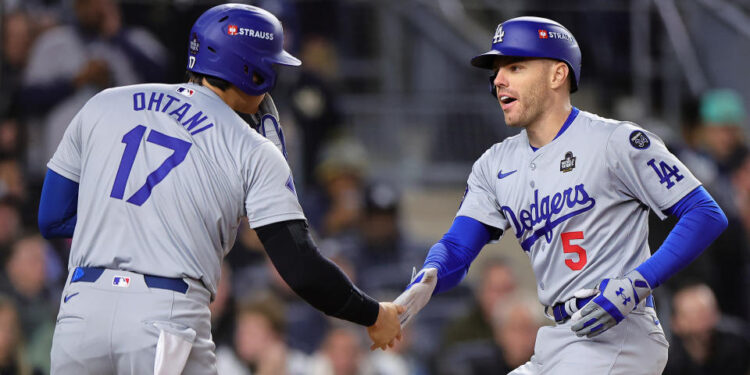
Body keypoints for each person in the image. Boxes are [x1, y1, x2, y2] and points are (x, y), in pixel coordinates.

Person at [37, 4, 402, 374]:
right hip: (165, 314)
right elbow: (301, 268)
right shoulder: (251, 147)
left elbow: (52, 217)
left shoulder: (104, 102)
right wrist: (372, 313)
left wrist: (129, 227)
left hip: (82, 311)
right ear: (251, 71)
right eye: (270, 66)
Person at [389, 16, 728, 374]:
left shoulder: (615, 141)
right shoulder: (494, 164)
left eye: (515, 66)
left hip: (621, 334)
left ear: (557, 75)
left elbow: (705, 213)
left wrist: (637, 283)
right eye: (497, 69)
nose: (499, 79)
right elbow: (459, 247)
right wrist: (428, 278)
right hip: (560, 337)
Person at [663, 283, 750, 375]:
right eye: (695, 315)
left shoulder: (738, 343)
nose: (705, 320)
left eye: (708, 311)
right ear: (676, 323)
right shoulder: (667, 360)